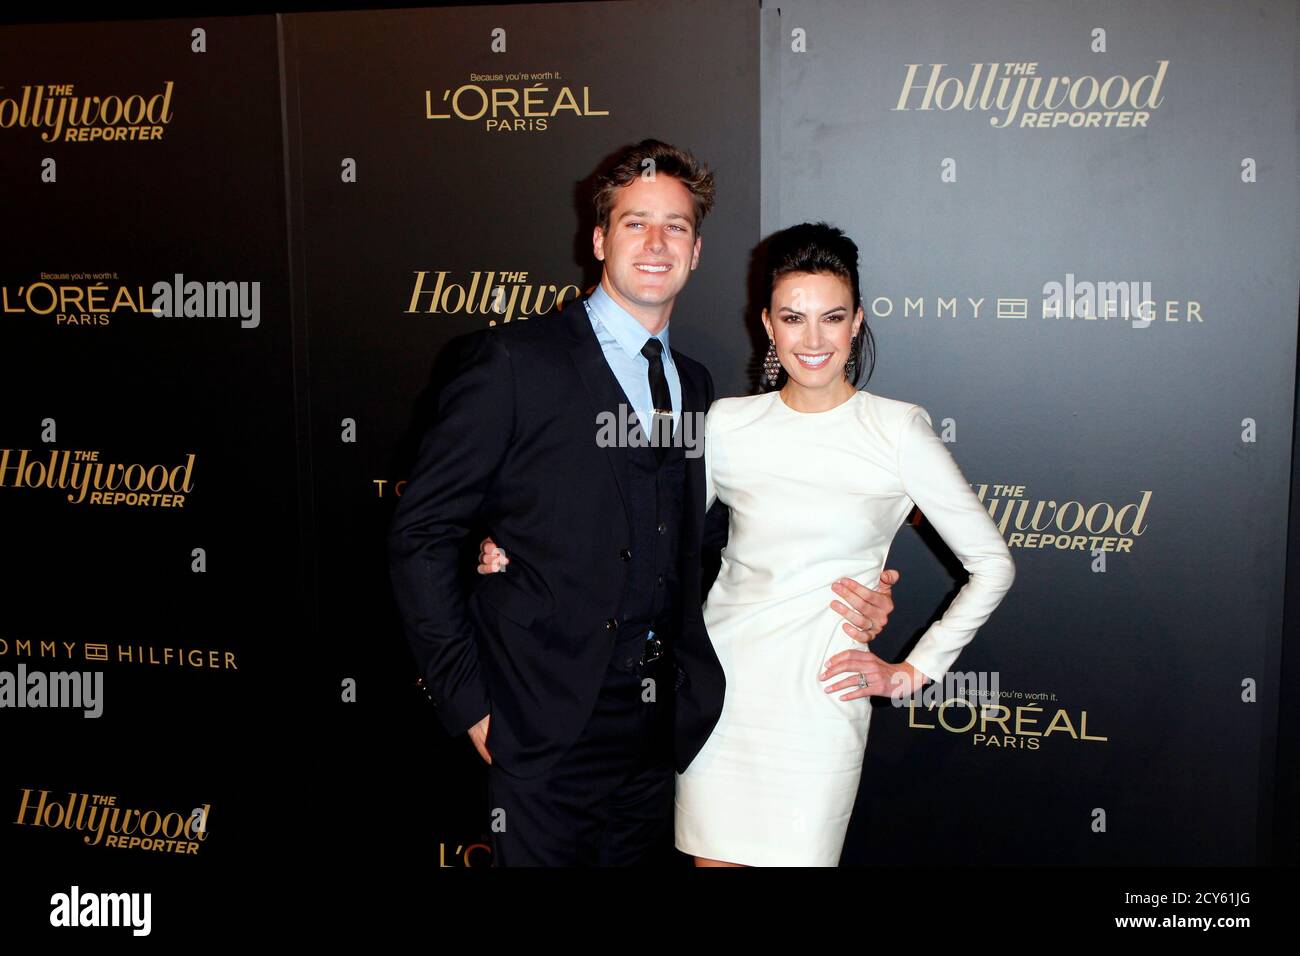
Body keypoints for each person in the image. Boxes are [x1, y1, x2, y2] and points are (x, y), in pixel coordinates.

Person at [389, 142, 900, 867]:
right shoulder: (513, 363)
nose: (657, 244)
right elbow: (423, 532)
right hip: (542, 720)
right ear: (599, 239)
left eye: (676, 227)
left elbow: (724, 540)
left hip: (660, 732)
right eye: (636, 224)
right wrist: (469, 700)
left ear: (696, 251)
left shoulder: (694, 386)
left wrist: (847, 588)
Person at [673, 221, 1016, 866]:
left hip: (821, 704)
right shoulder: (728, 424)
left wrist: (912, 672)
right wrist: (518, 544)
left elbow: (991, 565)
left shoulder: (896, 431)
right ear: (767, 325)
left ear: (856, 322)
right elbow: (659, 532)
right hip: (723, 694)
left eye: (831, 318)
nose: (812, 339)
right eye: (793, 318)